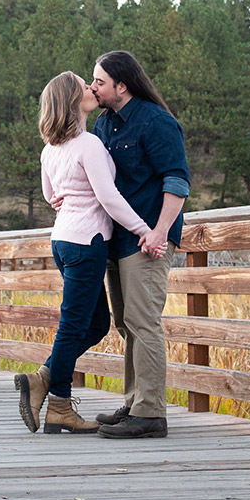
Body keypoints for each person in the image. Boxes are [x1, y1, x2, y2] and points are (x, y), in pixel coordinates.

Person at [15, 71, 165, 434]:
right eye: (84, 85)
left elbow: (52, 196)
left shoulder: (50, 150)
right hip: (87, 242)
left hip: (63, 241)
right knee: (73, 325)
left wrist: (73, 199)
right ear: (72, 100)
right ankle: (60, 406)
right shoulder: (89, 145)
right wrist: (146, 230)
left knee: (96, 323)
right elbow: (109, 197)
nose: (91, 88)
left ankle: (43, 379)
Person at [80, 50, 190, 439]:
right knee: (126, 322)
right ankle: (134, 402)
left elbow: (176, 181)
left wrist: (160, 232)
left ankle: (151, 414)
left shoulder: (157, 122)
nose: (93, 86)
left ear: (121, 85)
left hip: (148, 239)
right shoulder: (103, 124)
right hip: (116, 238)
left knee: (144, 321)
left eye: (99, 81)